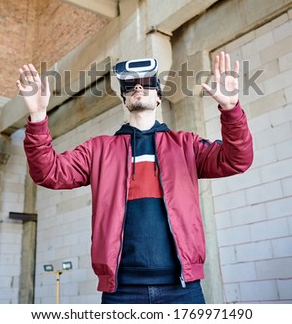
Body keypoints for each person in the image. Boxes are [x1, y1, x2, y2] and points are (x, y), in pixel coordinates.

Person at [16, 51, 253, 304]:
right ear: (125, 98)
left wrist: (230, 109)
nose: (138, 86)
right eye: (130, 84)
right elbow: (48, 172)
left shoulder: (187, 146)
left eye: (147, 82)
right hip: (121, 291)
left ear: (159, 97)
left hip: (182, 289)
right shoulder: (99, 150)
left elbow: (236, 160)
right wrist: (39, 118)